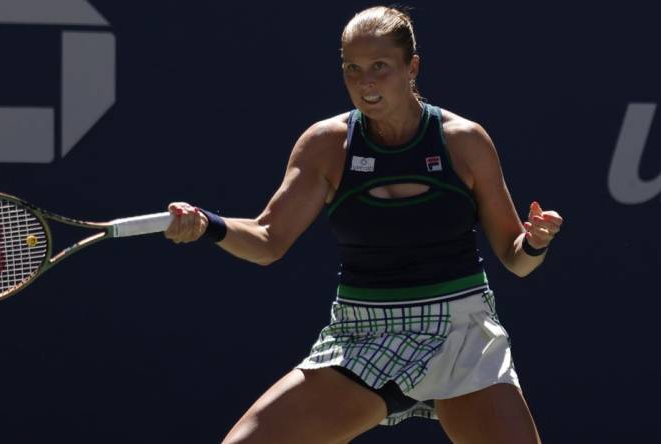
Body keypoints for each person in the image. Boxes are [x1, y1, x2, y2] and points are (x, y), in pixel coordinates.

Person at [165, 5, 563, 443]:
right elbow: (267, 240)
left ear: (412, 67)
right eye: (352, 69)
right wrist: (209, 225)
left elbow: (517, 258)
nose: (365, 83)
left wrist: (535, 242)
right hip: (363, 334)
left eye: (380, 67)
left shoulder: (463, 140)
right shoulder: (326, 145)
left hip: (461, 336)